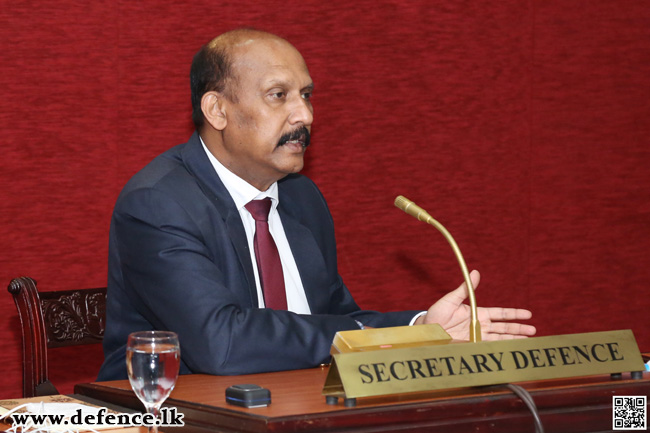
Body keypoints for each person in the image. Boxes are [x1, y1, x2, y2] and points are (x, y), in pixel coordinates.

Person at [97, 29, 536, 381]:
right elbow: (220, 343)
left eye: (306, 95)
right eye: (278, 95)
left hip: (292, 406)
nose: (304, 115)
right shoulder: (158, 203)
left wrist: (420, 329)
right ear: (217, 110)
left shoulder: (300, 197)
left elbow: (333, 319)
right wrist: (381, 336)